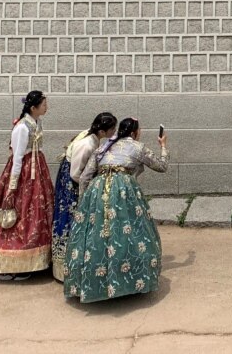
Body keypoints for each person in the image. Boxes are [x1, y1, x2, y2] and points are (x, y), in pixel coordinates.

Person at [64, 117, 169, 303]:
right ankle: (127, 280)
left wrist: (83, 203)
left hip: (97, 191)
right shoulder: (138, 147)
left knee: (97, 235)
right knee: (127, 232)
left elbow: (86, 176)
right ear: (135, 132)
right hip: (123, 192)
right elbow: (162, 166)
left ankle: (93, 282)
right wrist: (163, 145)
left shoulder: (103, 147)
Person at [0, 90, 54, 279]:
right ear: (33, 107)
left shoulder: (36, 122)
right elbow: (17, 157)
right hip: (24, 171)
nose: (46, 107)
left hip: (36, 168)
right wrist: (12, 186)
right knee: (21, 212)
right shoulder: (22, 128)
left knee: (37, 211)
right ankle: (11, 262)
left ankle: (33, 258)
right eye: (44, 104)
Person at [51, 112, 117, 282]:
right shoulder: (87, 145)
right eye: (112, 129)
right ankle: (66, 267)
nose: (114, 131)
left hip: (77, 179)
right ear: (103, 131)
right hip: (72, 184)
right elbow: (75, 173)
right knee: (71, 220)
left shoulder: (92, 137)